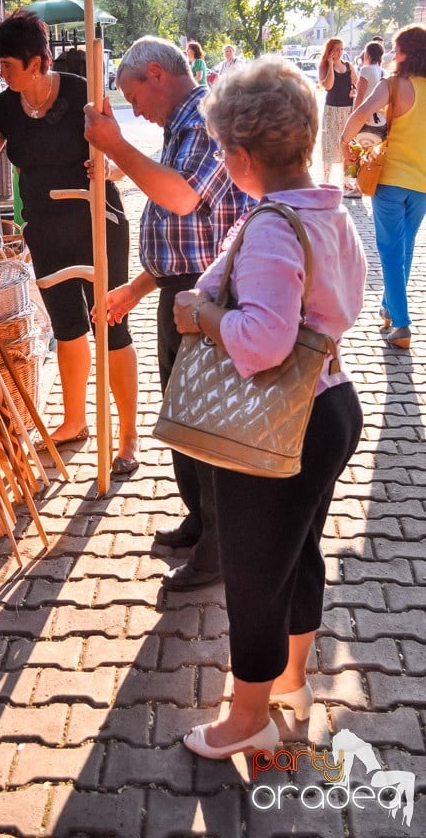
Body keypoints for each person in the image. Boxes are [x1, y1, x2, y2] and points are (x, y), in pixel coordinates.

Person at [173, 56, 365, 760]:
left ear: (241, 156)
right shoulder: (331, 211)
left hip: (279, 425)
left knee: (254, 574)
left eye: (223, 151)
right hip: (334, 405)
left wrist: (203, 318)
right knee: (299, 554)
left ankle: (246, 716)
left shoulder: (273, 227)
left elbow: (261, 343)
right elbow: (342, 307)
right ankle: (291, 683)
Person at [84, 36, 252, 591]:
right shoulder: (180, 128)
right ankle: (203, 523)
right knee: (185, 419)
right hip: (181, 291)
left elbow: (181, 199)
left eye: (134, 95)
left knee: (205, 424)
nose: (135, 111)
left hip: (208, 298)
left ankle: (221, 550)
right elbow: (184, 234)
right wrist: (137, 288)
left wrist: (116, 148)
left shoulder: (206, 118)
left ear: (156, 74)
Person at [0, 10, 139, 473]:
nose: (0, 72)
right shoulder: (4, 110)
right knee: (67, 327)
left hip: (98, 222)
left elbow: (123, 158)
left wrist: (105, 169)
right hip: (46, 230)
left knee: (111, 326)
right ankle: (74, 422)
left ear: (37, 62)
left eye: (8, 64)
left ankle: (127, 438)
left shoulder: (83, 93)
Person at [341, 24, 426, 350]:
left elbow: (361, 113)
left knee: (390, 253)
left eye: (396, 48)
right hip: (421, 184)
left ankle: (402, 325)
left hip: (390, 181)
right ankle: (390, 308)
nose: (392, 53)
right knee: (404, 249)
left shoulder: (393, 85)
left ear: (405, 52)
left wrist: (343, 142)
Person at [318, 37, 358, 183]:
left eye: (341, 49)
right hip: (332, 110)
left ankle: (347, 180)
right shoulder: (324, 66)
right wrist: (330, 64)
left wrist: (353, 89)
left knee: (347, 143)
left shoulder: (348, 65)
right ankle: (326, 179)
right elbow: (328, 86)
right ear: (329, 50)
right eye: (336, 49)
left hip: (347, 109)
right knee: (329, 144)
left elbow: (356, 81)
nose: (339, 52)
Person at [352, 40, 386, 144]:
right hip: (381, 122)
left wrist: (353, 116)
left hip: (367, 120)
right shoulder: (383, 72)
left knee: (359, 153)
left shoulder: (365, 70)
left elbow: (360, 96)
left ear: (368, 55)